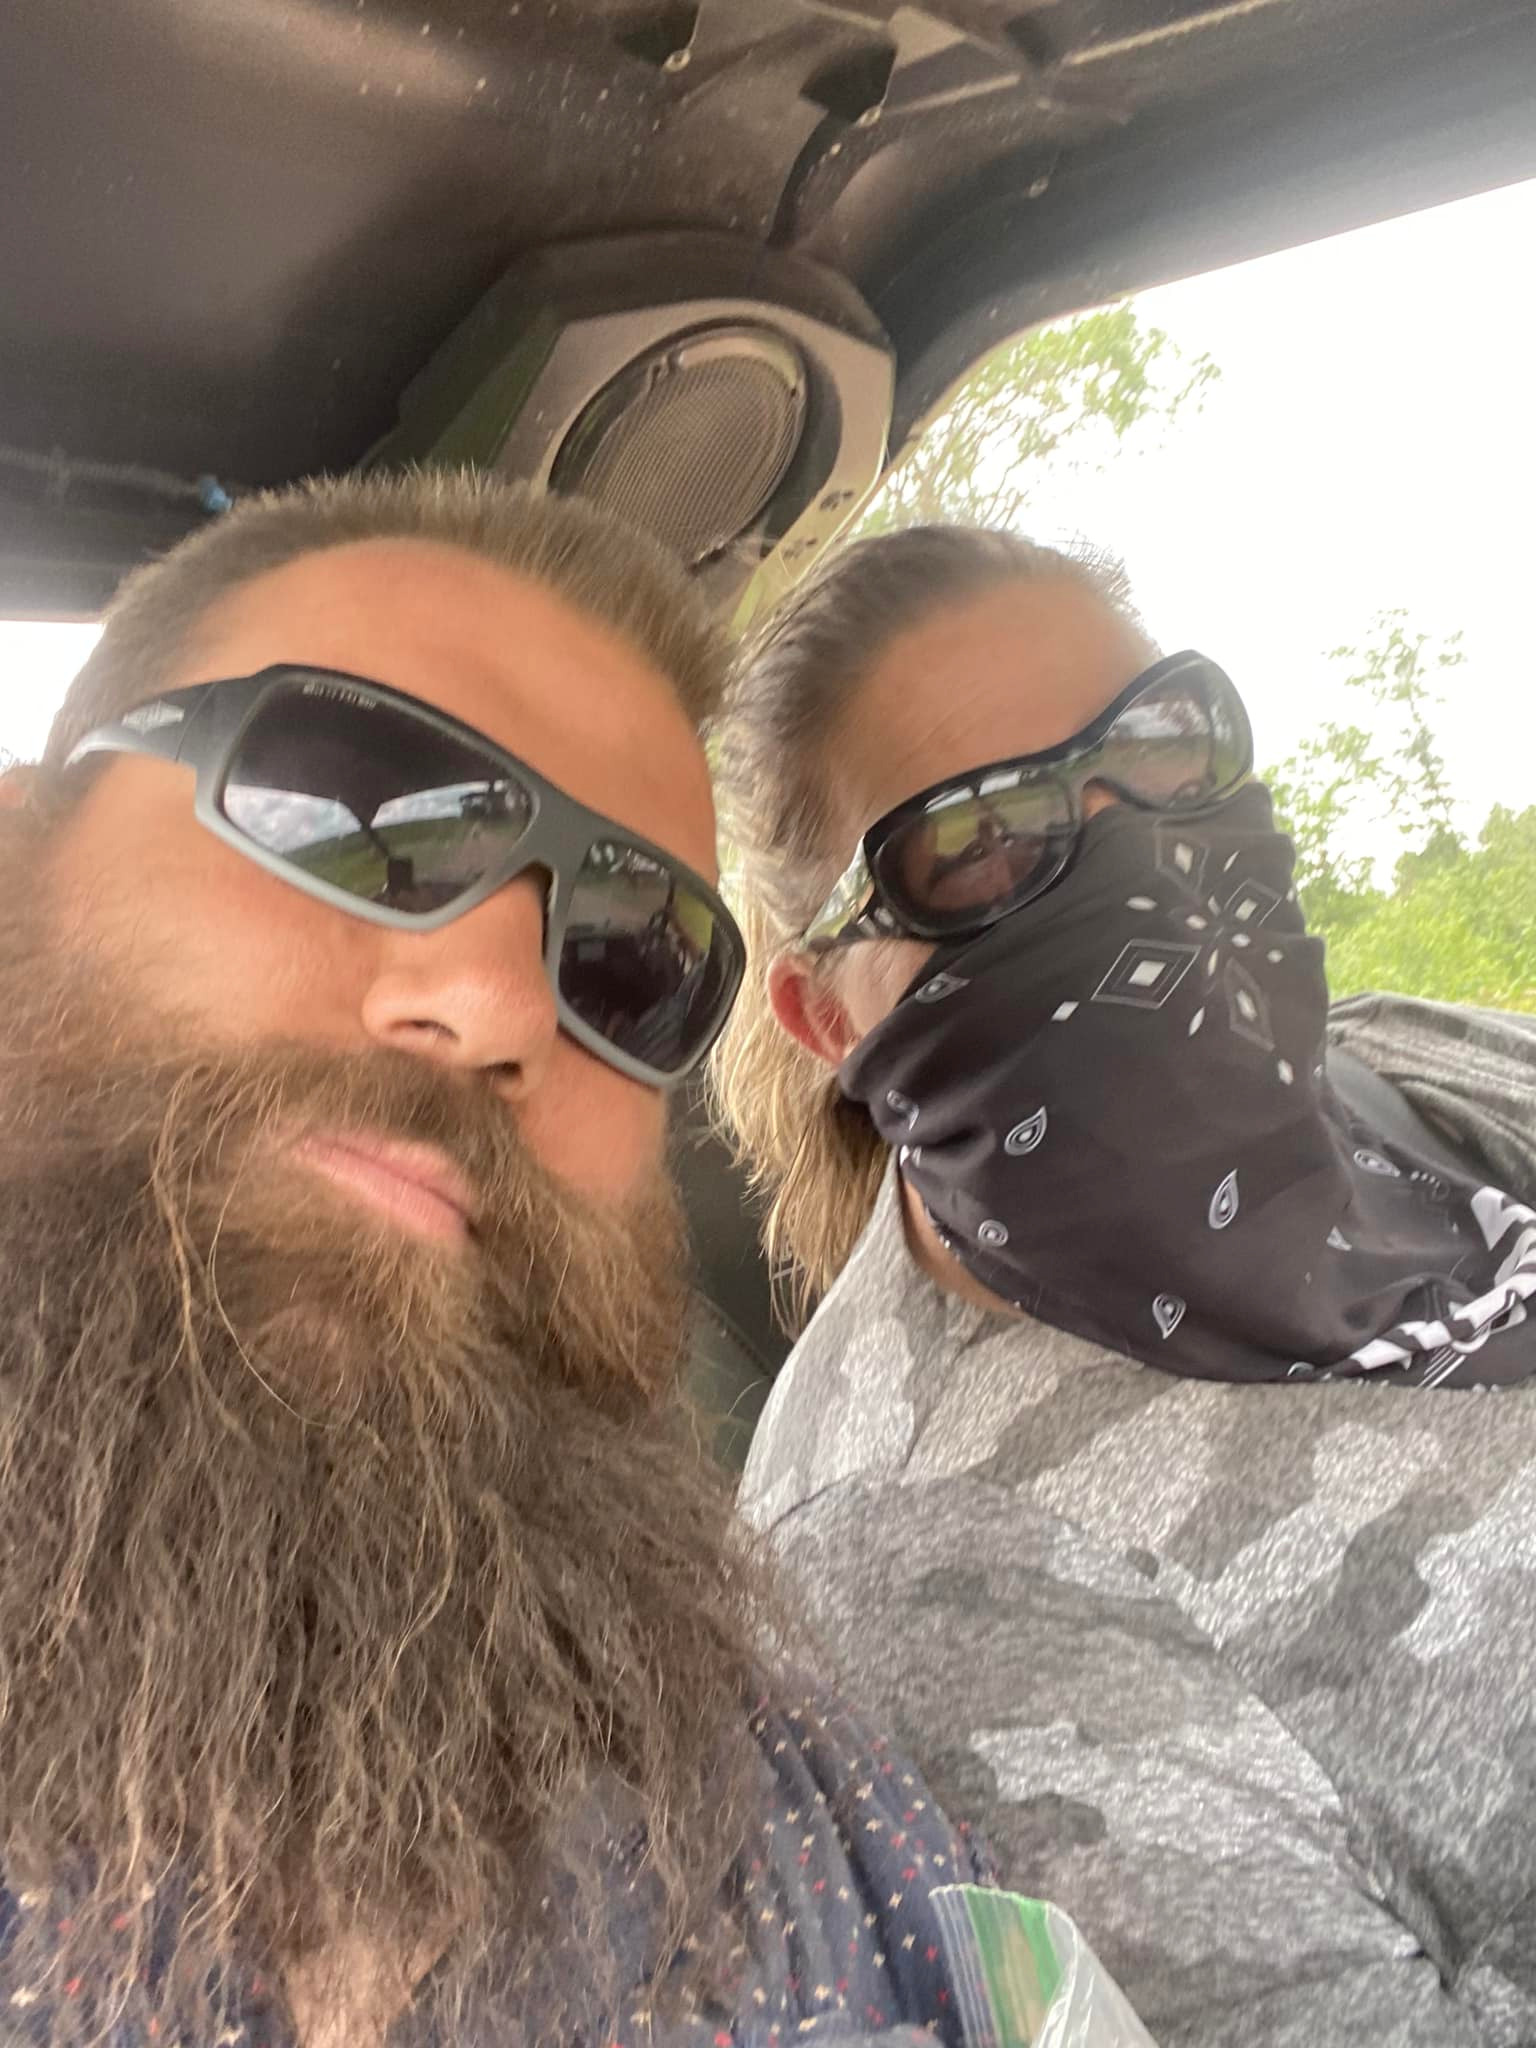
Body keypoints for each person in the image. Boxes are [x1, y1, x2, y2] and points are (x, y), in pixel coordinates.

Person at [0, 476, 995, 2048]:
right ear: (26, 848)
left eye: (630, 955)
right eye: (348, 810)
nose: (500, 1004)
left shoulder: (840, 1835)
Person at [712, 525, 1536, 2047]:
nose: (1143, 853)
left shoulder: (1386, 1056)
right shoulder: (920, 1574)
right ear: (824, 1012)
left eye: (1161, 741)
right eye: (979, 840)